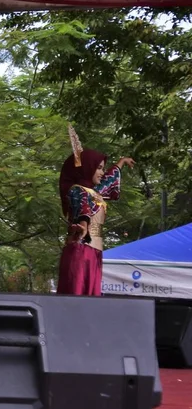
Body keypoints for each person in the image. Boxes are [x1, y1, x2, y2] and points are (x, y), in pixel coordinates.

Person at [57, 125, 135, 296]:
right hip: (81, 250)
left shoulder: (94, 192)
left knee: (92, 301)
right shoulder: (77, 190)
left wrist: (121, 162)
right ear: (87, 168)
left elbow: (107, 182)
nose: (101, 172)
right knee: (77, 299)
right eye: (98, 168)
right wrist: (83, 225)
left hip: (94, 252)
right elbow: (82, 207)